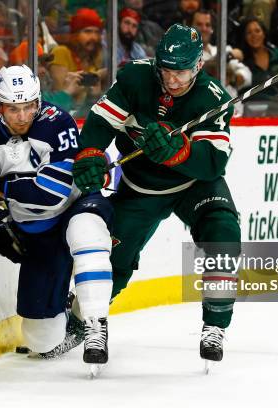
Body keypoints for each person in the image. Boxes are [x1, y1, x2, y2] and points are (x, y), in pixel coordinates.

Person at [73, 24, 241, 363]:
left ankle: (216, 326)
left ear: (197, 66)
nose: (172, 80)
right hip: (141, 186)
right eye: (166, 70)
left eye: (180, 71)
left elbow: (213, 165)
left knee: (223, 232)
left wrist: (180, 153)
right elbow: (101, 122)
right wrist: (90, 153)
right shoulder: (135, 78)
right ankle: (81, 320)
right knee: (111, 257)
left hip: (195, 186)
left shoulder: (214, 99)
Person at [0, 64, 114, 365]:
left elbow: (52, 195)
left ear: (39, 102)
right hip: (39, 233)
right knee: (42, 341)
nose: (23, 116)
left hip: (76, 206)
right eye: (13, 109)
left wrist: (5, 190)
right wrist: (1, 218)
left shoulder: (57, 121)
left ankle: (93, 320)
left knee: (86, 233)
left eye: (29, 107)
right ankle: (67, 311)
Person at [240, 17, 278, 115]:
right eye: (249, 33)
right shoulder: (242, 61)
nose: (254, 35)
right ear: (244, 37)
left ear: (264, 34)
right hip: (250, 111)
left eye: (257, 31)